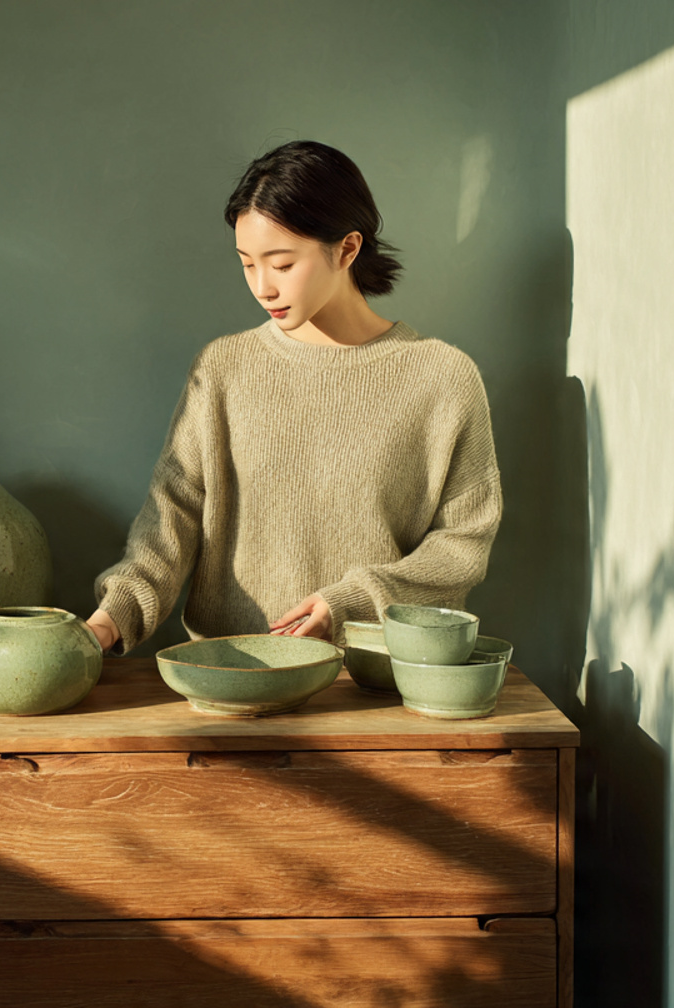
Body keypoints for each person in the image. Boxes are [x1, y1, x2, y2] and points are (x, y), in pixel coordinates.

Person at [84, 140, 502, 655]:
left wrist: (351, 602)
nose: (263, 287)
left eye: (281, 264)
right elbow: (173, 515)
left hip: (371, 683)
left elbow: (462, 545)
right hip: (232, 675)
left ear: (347, 249)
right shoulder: (223, 369)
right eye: (247, 264)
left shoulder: (442, 378)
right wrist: (110, 618)